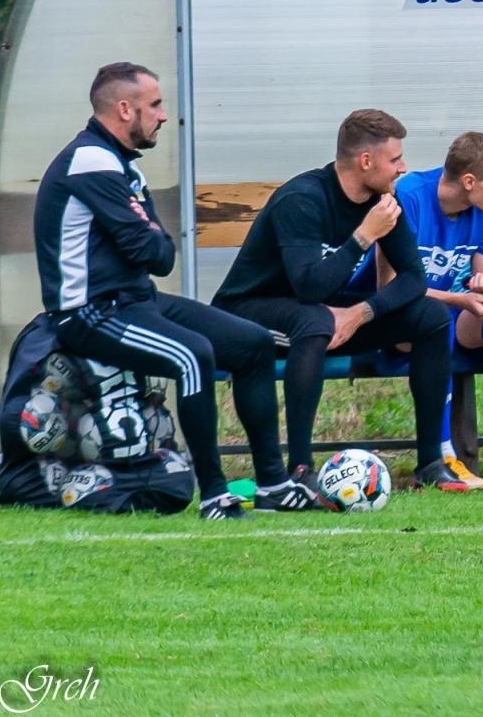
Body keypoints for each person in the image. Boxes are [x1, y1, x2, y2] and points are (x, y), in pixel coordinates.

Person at [34, 62, 309, 519]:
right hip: (88, 312)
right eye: (155, 105)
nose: (163, 115)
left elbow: (160, 255)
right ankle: (216, 494)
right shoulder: (92, 160)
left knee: (254, 344)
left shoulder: (123, 165)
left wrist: (147, 236)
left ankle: (273, 484)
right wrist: (147, 235)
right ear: (125, 109)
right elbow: (152, 247)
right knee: (193, 355)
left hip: (137, 300)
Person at [213, 109, 466, 494]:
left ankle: (430, 463)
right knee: (314, 321)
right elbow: (309, 287)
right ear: (366, 161)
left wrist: (361, 313)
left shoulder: (383, 202)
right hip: (249, 311)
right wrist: (363, 237)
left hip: (324, 311)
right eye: (395, 159)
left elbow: (414, 279)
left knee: (430, 315)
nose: (403, 168)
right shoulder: (301, 199)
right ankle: (300, 470)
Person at [365, 132, 483, 489]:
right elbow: (390, 289)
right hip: (387, 318)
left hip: (446, 311)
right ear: (468, 181)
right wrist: (462, 301)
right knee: (435, 324)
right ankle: (442, 456)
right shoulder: (408, 197)